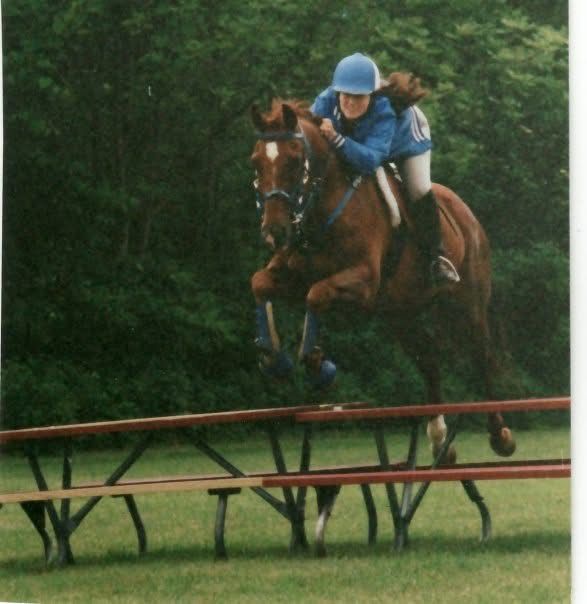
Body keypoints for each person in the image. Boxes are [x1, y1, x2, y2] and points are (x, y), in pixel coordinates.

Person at [311, 52, 460, 284]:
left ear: (371, 95)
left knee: (419, 188)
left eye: (359, 97)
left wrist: (337, 139)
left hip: (406, 141)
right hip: (360, 141)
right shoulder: (325, 101)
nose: (350, 101)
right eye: (345, 95)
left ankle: (436, 257)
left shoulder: (384, 111)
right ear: (336, 91)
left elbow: (371, 160)